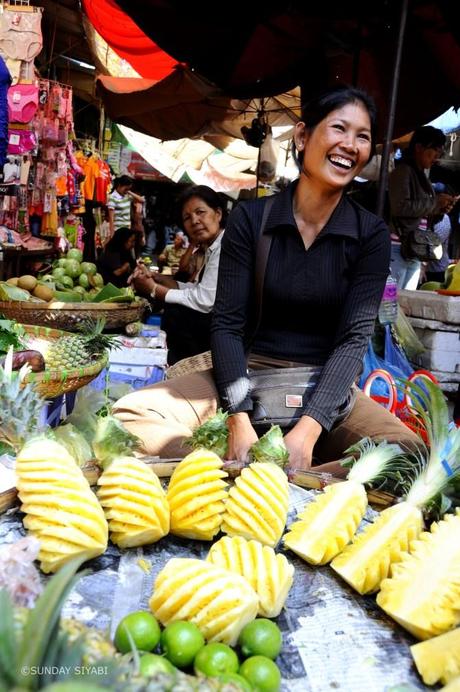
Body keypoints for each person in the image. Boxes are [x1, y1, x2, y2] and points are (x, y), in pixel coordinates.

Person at [114, 86, 422, 473]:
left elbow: (353, 341)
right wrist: (238, 417)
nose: (350, 144)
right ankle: (234, 474)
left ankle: (294, 481)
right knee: (130, 416)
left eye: (362, 136)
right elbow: (226, 325)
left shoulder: (370, 234)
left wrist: (309, 429)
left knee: (410, 454)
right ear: (303, 135)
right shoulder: (251, 219)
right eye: (339, 128)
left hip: (326, 385)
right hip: (245, 373)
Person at [128, 185, 225, 364]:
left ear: (218, 213)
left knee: (176, 313)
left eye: (200, 212)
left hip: (223, 336)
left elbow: (204, 300)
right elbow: (197, 289)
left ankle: (183, 370)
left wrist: (154, 289)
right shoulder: (211, 248)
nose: (194, 221)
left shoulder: (225, 246)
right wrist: (158, 278)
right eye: (187, 218)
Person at [388, 126, 454, 290]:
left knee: (407, 302)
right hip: (397, 247)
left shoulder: (421, 176)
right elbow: (400, 207)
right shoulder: (403, 172)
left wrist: (440, 210)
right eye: (435, 150)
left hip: (414, 249)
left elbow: (423, 213)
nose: (437, 156)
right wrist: (435, 203)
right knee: (391, 303)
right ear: (419, 147)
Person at [107, 175, 145, 240]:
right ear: (119, 185)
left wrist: (129, 192)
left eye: (128, 189)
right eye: (125, 188)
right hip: (118, 230)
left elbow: (142, 200)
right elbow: (111, 217)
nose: (126, 191)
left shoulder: (127, 196)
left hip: (127, 229)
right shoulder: (112, 197)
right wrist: (112, 232)